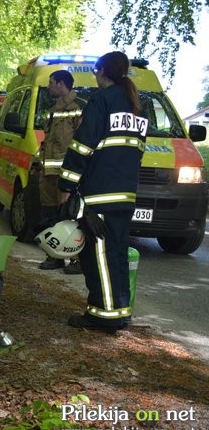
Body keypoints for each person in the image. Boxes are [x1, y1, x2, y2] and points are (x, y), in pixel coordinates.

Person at [58, 51, 148, 333]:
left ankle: (103, 316)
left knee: (98, 256)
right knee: (117, 254)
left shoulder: (101, 101)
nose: (95, 78)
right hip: (124, 194)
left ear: (102, 71)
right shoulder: (136, 106)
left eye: (96, 73)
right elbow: (137, 152)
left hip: (99, 194)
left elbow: (81, 147)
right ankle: (120, 311)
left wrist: (66, 186)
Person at [38, 70, 85, 272]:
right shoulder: (53, 110)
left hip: (68, 174)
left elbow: (82, 143)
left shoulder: (79, 108)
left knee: (70, 214)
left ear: (61, 84)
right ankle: (54, 256)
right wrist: (37, 163)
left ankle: (75, 259)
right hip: (48, 174)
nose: (48, 87)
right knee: (51, 214)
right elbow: (47, 141)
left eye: (51, 83)